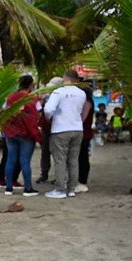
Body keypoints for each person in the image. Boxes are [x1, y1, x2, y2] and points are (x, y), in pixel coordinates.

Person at [43, 70, 86, 199]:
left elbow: (48, 109)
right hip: (77, 128)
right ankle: (71, 188)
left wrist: (49, 118)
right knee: (73, 160)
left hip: (60, 129)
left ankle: (59, 189)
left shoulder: (58, 92)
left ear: (64, 79)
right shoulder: (81, 93)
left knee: (60, 160)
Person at [2, 74, 43, 196]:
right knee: (25, 160)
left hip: (11, 132)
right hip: (26, 133)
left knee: (11, 159)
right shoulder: (33, 98)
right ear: (31, 84)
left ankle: (8, 187)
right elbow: (39, 113)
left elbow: (4, 112)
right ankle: (28, 188)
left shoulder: (10, 97)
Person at [36, 76, 63, 184]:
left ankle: (58, 176)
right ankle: (44, 174)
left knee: (58, 153)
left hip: (57, 127)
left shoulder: (61, 96)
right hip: (46, 127)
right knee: (45, 151)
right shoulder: (45, 96)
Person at [76, 86, 94, 193]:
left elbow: (83, 118)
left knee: (82, 157)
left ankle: (82, 180)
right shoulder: (87, 102)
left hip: (84, 133)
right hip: (84, 133)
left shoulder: (87, 103)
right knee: (81, 157)